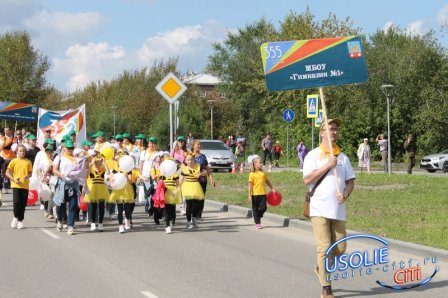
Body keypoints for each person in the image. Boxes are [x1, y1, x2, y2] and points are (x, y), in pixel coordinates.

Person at [303, 118, 355, 298]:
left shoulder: (343, 157)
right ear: (322, 133)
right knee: (324, 248)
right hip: (319, 209)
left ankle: (320, 266)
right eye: (330, 129)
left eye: (335, 129)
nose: (334, 132)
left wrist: (346, 194)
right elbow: (307, 180)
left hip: (338, 210)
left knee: (340, 248)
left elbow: (350, 182)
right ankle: (326, 288)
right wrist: (327, 165)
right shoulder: (313, 155)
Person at [52, 140, 81, 235]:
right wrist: (61, 174)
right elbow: (54, 169)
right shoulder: (59, 157)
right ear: (64, 148)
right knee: (60, 206)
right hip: (62, 184)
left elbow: (81, 171)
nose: (70, 150)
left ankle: (70, 226)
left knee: (73, 206)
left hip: (73, 184)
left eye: (72, 148)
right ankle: (60, 220)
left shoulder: (76, 159)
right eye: (68, 148)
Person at [6, 145, 32, 229]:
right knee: (16, 202)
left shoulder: (28, 162)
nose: (22, 152)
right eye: (20, 151)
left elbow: (30, 173)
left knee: (23, 204)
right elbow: (7, 173)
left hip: (25, 185)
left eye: (23, 151)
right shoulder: (13, 161)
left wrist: (27, 176)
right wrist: (13, 179)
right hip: (16, 185)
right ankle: (16, 217)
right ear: (17, 152)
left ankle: (20, 220)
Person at [248, 155, 275, 229]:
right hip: (255, 194)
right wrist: (249, 195)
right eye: (260, 163)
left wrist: (272, 188)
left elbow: (267, 181)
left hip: (263, 194)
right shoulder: (252, 174)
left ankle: (257, 217)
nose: (261, 164)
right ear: (255, 164)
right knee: (255, 209)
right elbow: (250, 185)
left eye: (261, 163)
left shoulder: (263, 173)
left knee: (264, 208)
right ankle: (257, 223)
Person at [84, 153, 110, 231]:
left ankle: (100, 223)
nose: (98, 164)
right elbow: (87, 174)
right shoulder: (91, 168)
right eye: (96, 162)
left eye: (99, 162)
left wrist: (104, 162)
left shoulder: (103, 169)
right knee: (93, 206)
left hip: (101, 189)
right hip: (92, 189)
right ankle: (92, 223)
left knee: (101, 206)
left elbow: (108, 172)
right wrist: (92, 163)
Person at [180, 153, 206, 229]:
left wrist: (200, 174)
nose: (190, 161)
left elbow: (206, 172)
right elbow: (181, 180)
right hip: (187, 187)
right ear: (186, 161)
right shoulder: (184, 169)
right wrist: (178, 188)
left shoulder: (198, 167)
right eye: (188, 160)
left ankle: (194, 218)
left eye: (191, 159)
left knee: (196, 205)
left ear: (194, 160)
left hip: (196, 187)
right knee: (189, 205)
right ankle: (188, 221)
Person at [191, 139, 215, 220]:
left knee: (201, 198)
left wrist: (212, 179)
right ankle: (193, 214)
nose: (199, 146)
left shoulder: (203, 157)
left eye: (200, 145)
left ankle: (199, 215)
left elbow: (207, 169)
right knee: (194, 198)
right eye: (197, 145)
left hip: (202, 180)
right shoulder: (190, 156)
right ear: (193, 146)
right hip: (193, 181)